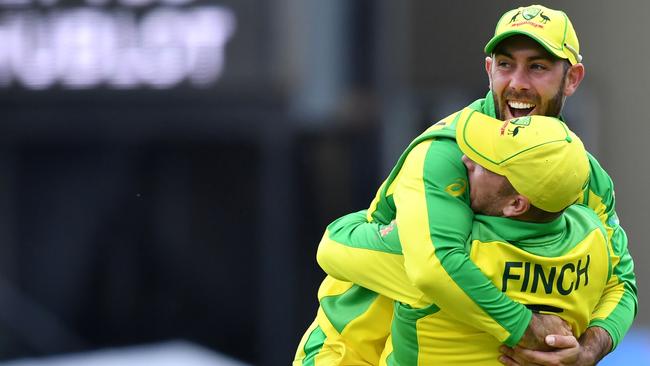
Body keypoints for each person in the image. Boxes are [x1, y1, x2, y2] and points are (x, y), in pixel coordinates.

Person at [293, 4, 636, 366]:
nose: (517, 82)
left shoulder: (579, 170)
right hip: (351, 348)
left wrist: (587, 351)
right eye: (505, 64)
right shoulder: (445, 150)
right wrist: (530, 329)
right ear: (489, 69)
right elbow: (433, 268)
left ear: (572, 78)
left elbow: (622, 283)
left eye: (537, 66)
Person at [316, 111, 612, 365]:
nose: (466, 159)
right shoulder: (593, 241)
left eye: (486, 164)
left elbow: (332, 246)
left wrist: (392, 210)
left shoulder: (452, 253)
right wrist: (587, 351)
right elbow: (622, 286)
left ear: (515, 204)